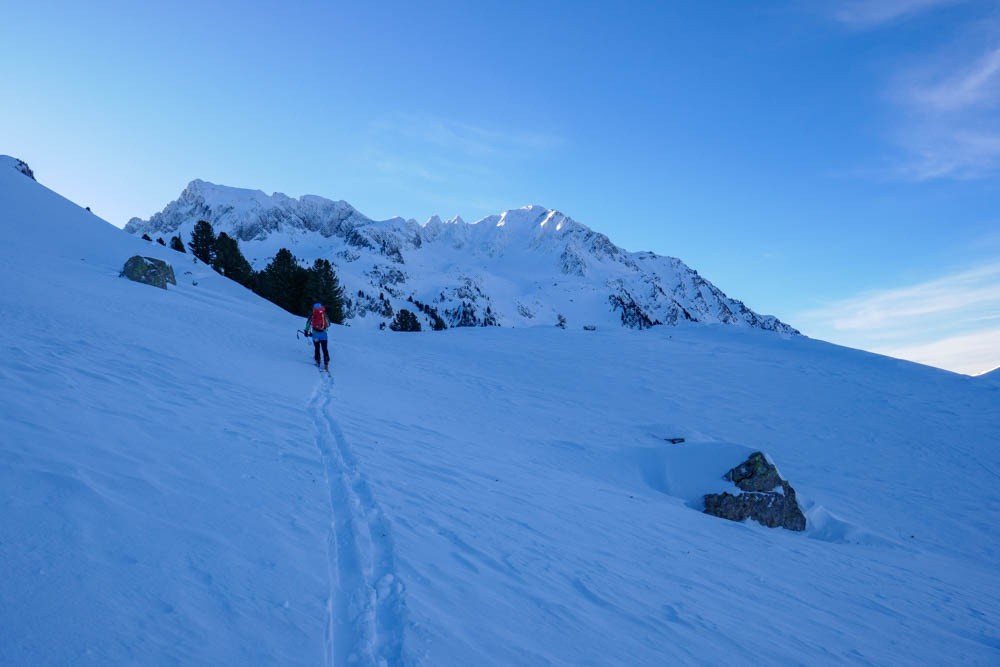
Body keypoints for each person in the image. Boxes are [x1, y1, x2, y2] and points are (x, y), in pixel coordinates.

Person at [306, 302, 331, 370]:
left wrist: (306, 331)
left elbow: (308, 324)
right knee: (324, 349)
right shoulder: (324, 314)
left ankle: (318, 361)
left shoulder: (312, 314)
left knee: (317, 348)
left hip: (315, 335)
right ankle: (326, 364)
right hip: (324, 335)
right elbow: (328, 324)